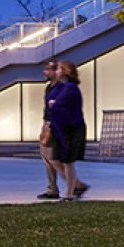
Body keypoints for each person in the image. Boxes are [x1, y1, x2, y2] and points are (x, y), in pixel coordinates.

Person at [47, 60, 89, 200]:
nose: (55, 71)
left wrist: (54, 104)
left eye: (58, 69)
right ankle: (77, 185)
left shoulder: (71, 87)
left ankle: (69, 194)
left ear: (65, 71)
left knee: (68, 162)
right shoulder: (61, 86)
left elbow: (57, 104)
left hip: (71, 130)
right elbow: (51, 100)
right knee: (55, 159)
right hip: (61, 129)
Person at [36, 59, 61, 200]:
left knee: (52, 158)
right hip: (47, 124)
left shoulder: (60, 88)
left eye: (47, 69)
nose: (45, 72)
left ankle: (73, 185)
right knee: (47, 158)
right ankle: (53, 188)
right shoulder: (49, 87)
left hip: (54, 125)